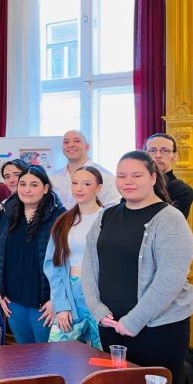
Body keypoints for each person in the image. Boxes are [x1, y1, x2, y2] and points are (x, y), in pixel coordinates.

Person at [82, 151, 193, 384]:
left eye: (136, 175)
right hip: (111, 325)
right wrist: (98, 310)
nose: (128, 181)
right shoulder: (106, 215)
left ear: (153, 178)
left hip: (157, 329)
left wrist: (133, 322)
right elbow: (89, 266)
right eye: (121, 176)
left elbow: (170, 279)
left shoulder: (170, 219)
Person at [0, 165, 66, 343]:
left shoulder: (59, 216)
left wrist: (56, 300)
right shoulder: (6, 214)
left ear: (45, 188)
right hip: (13, 300)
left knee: (46, 357)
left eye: (34, 185)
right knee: (24, 356)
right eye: (22, 184)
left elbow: (66, 262)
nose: (27, 189)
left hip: (45, 302)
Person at [43, 166, 103, 349]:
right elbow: (53, 266)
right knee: (59, 355)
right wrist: (61, 304)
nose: (79, 188)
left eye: (86, 184)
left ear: (98, 188)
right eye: (75, 183)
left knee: (103, 357)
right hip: (71, 292)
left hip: (101, 295)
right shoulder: (64, 221)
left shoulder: (110, 218)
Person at [50, 130, 120, 209]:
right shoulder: (54, 178)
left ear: (87, 147)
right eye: (66, 142)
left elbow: (114, 207)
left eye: (77, 141)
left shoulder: (105, 176)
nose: (71, 145)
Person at [145, 133, 193, 218]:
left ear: (175, 156)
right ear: (145, 155)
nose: (158, 155)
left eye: (164, 151)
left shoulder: (183, 191)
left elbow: (169, 225)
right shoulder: (134, 183)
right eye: (152, 150)